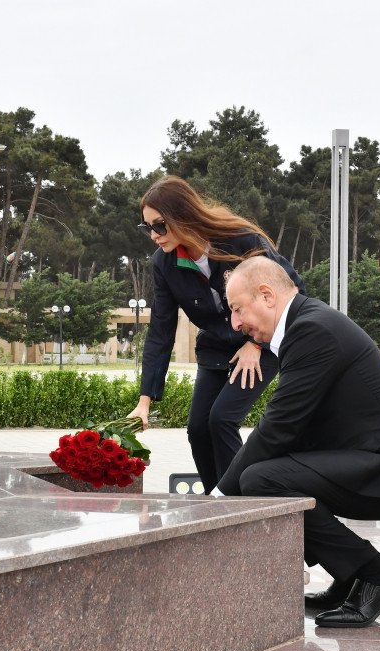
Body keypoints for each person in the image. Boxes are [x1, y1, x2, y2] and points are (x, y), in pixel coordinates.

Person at [215, 256, 380, 628]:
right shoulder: (307, 324)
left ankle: (377, 575)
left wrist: (219, 500)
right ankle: (349, 578)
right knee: (263, 476)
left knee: (261, 480)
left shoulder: (312, 330)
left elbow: (278, 426)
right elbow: (291, 429)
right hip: (371, 459)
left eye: (238, 309)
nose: (236, 323)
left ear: (267, 295)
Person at [127, 175, 305, 494]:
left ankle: (241, 503)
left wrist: (256, 344)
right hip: (215, 347)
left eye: (159, 225)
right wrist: (144, 401)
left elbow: (292, 289)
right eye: (146, 227)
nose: (153, 235)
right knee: (197, 428)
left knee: (221, 419)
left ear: (181, 215)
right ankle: (215, 502)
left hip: (260, 342)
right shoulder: (164, 264)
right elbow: (160, 332)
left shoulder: (241, 240)